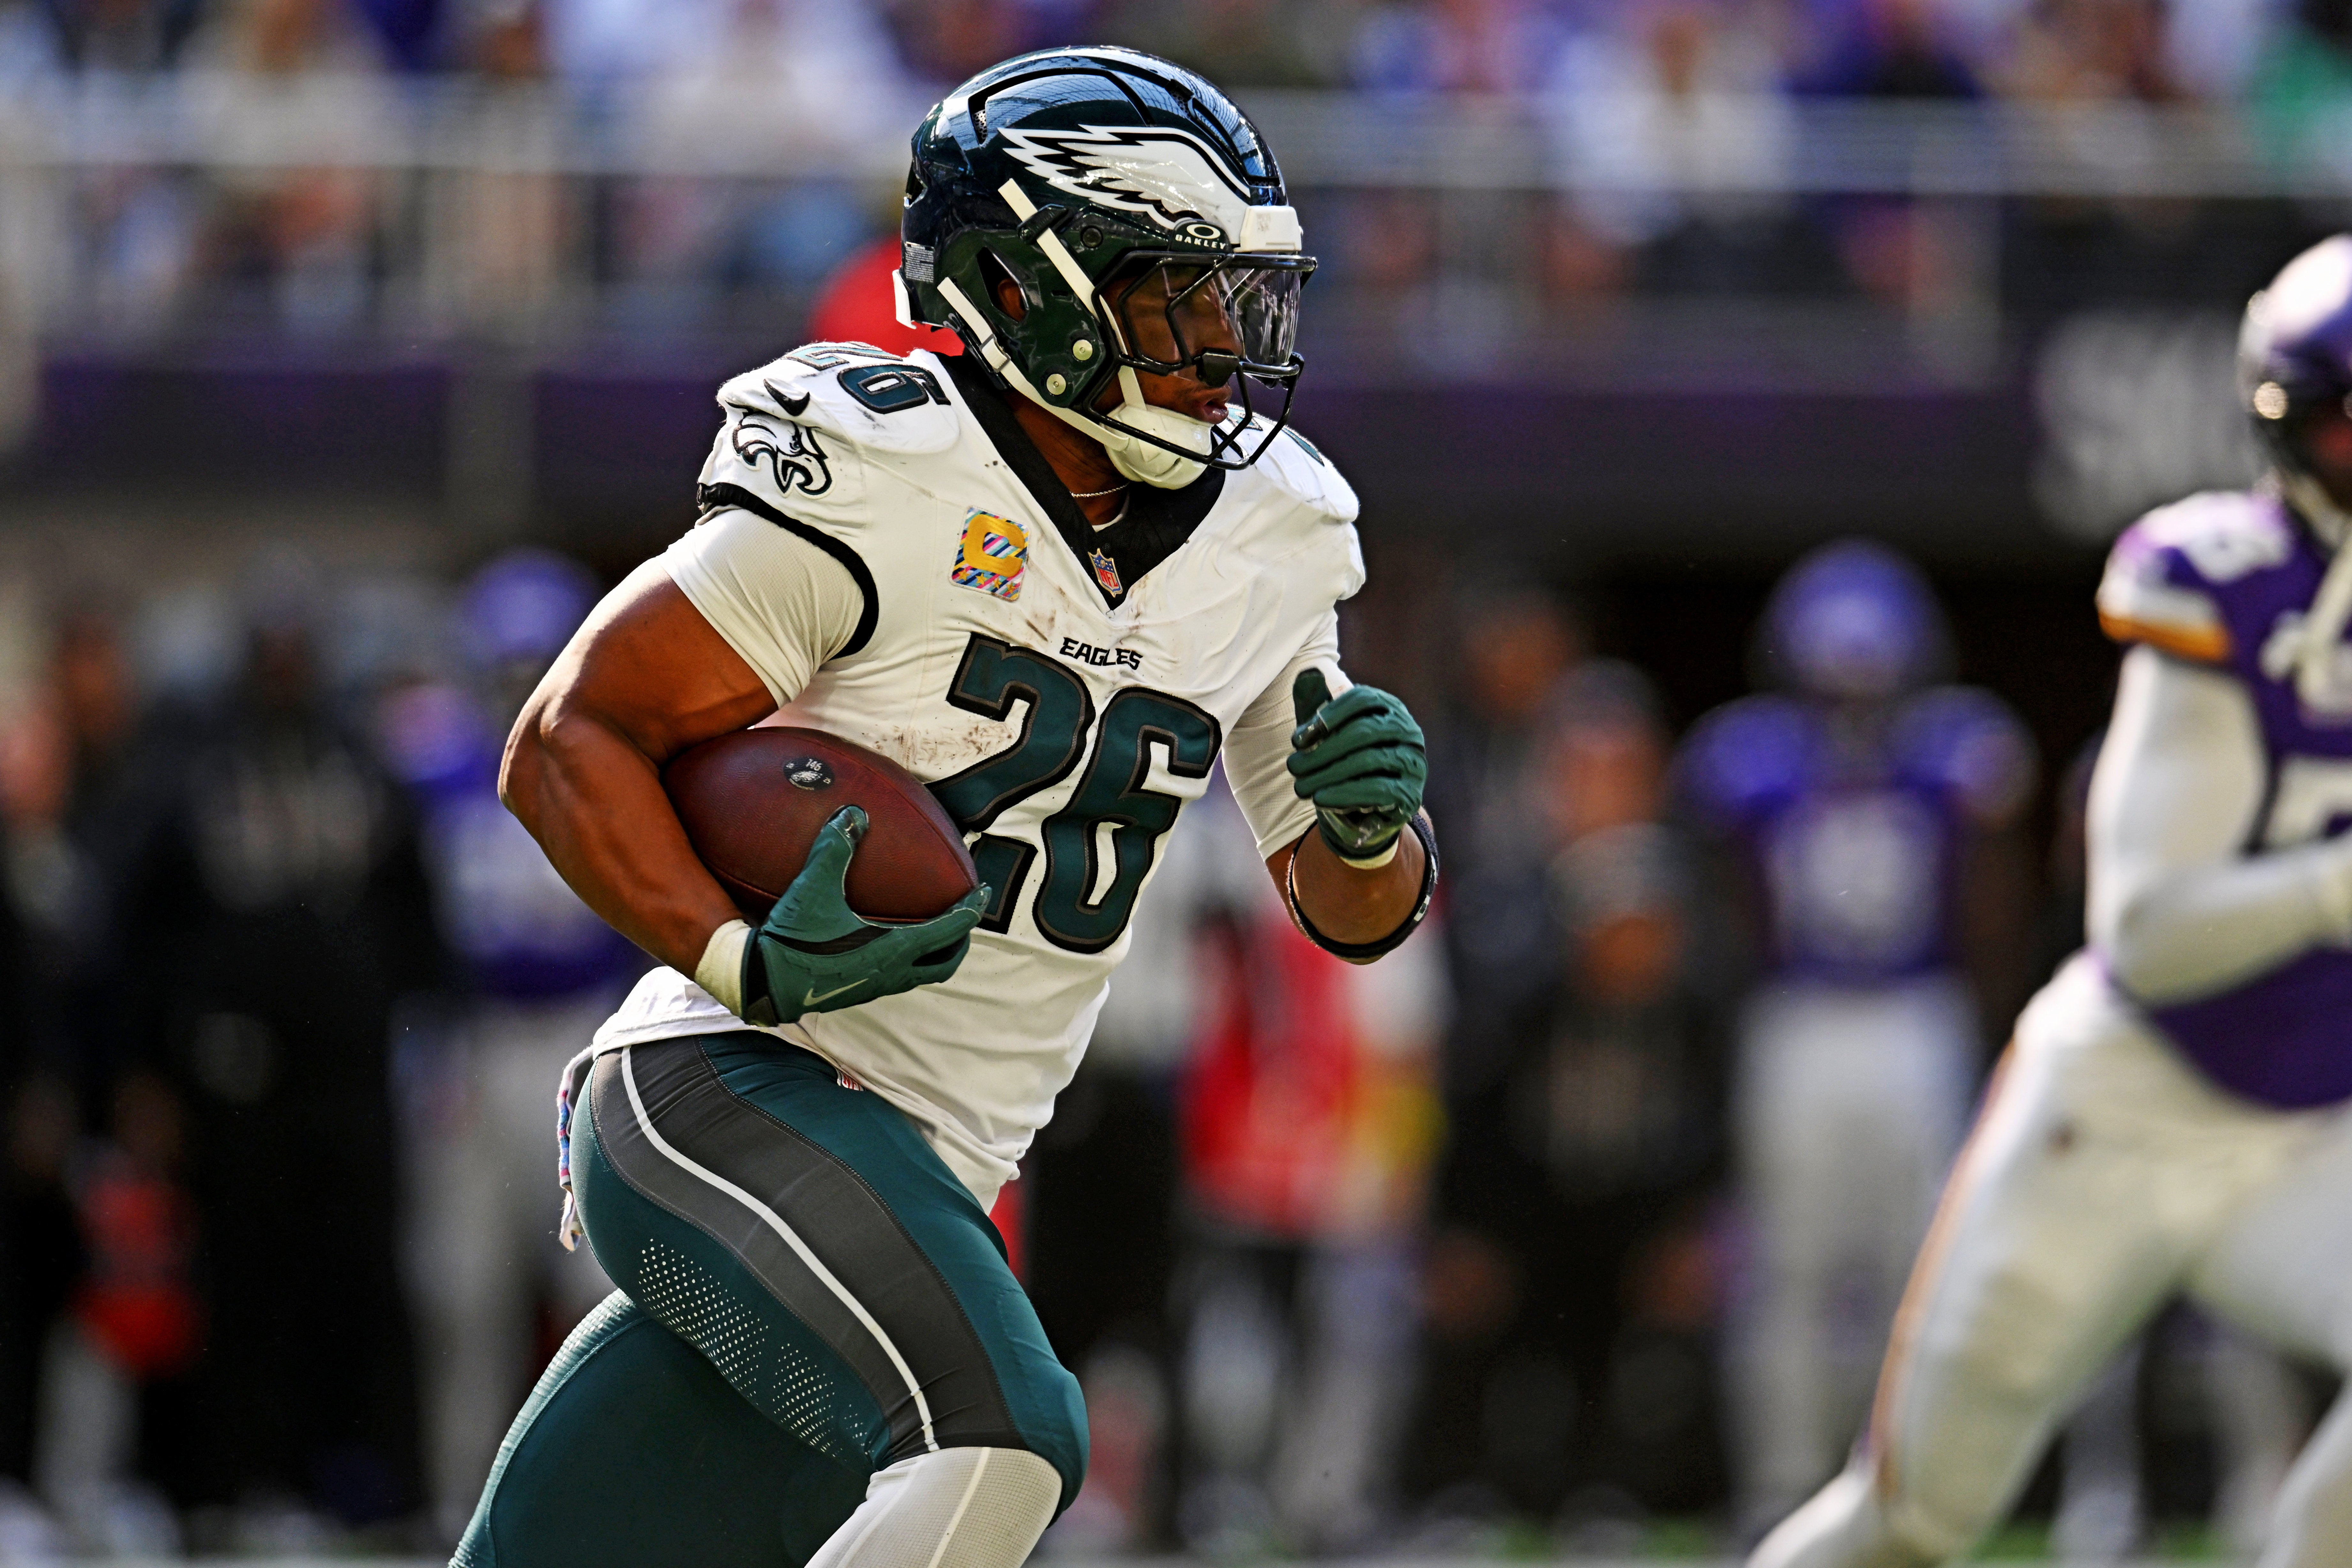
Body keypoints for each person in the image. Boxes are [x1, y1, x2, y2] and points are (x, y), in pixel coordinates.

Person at [457, 46, 1437, 1568]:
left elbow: (1343, 904)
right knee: (1003, 1440)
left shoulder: (1273, 530)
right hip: (731, 1085)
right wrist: (737, 957)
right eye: (1174, 299)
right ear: (1029, 288)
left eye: (1239, 301)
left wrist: (1371, 832)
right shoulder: (888, 470)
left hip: (930, 1161)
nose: (1220, 350)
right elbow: (570, 736)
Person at [1747, 234, 2352, 1568]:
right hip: (2129, 1101)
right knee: (1913, 1520)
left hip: (2322, 1119)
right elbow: (2151, 930)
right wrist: (2334, 885)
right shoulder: (2228, 584)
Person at [1678, 541, 2036, 1539]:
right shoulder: (1753, 759)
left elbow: (1993, 902)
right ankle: (1783, 1480)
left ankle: (1906, 1480)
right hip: (1800, 1016)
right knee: (1788, 1263)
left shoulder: (1955, 750)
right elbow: (1728, 905)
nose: (1853, 694)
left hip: (1916, 1012)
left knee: (1919, 1260)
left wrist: (1986, 1013)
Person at [382, 552, 641, 1545]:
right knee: (460, 1289)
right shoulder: (434, 767)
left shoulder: (614, 764)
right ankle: (460, 1501)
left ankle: (597, 1499)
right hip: (473, 1045)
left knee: (596, 1287)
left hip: (580, 1038)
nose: (521, 685)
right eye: (506, 666)